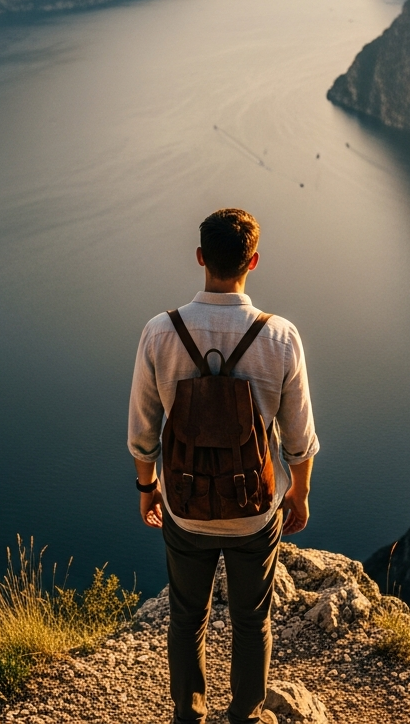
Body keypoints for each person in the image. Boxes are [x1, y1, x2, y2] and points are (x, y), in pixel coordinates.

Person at [128, 208, 319, 724]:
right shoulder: (279, 336)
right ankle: (245, 714)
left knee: (187, 617)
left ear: (199, 259)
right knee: (251, 620)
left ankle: (188, 714)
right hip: (254, 509)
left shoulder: (159, 332)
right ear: (252, 262)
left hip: (185, 509)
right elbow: (300, 440)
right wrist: (297, 493)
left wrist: (148, 489)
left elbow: (143, 434)